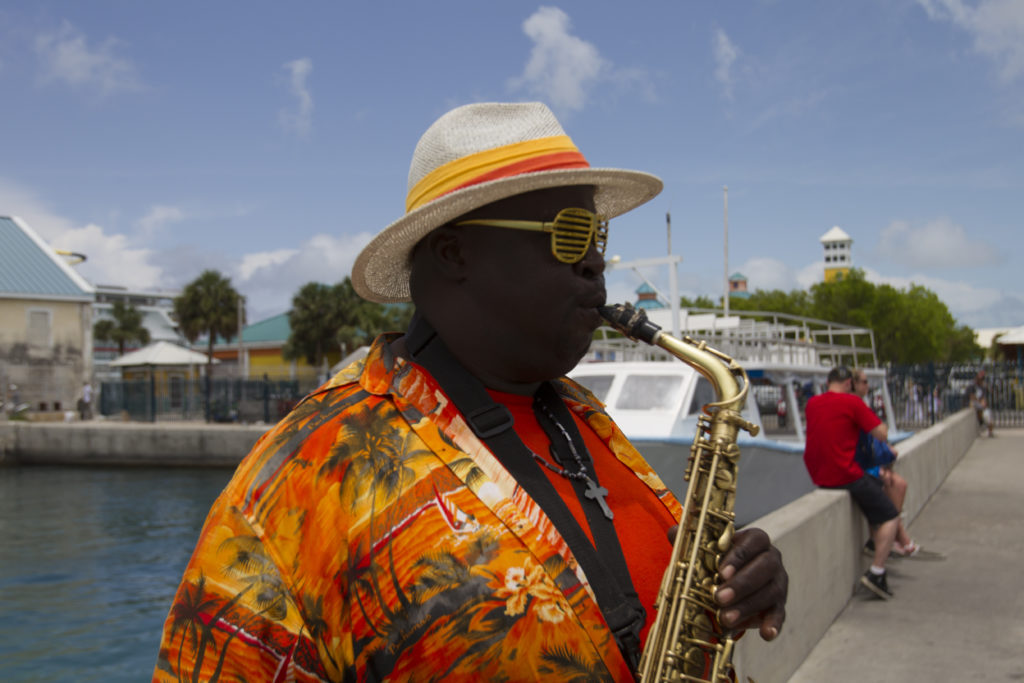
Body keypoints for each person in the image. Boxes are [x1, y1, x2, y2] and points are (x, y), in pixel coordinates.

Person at [154, 101, 788, 682]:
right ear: (454, 251)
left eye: (598, 239)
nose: (596, 262)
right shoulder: (304, 472)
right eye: (569, 234)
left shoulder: (581, 416)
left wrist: (735, 586)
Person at [803, 366, 899, 599]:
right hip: (844, 475)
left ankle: (873, 542)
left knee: (875, 485)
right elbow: (881, 434)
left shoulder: (812, 403)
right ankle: (877, 572)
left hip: (819, 475)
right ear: (848, 383)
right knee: (890, 515)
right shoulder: (853, 403)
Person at [850, 369, 921, 558]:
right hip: (862, 466)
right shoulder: (856, 407)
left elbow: (873, 440)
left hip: (868, 463)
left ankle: (893, 537)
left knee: (898, 484)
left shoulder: (862, 406)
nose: (867, 386)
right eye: (864, 382)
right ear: (854, 384)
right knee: (892, 485)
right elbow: (868, 441)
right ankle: (897, 537)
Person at [967, 369, 994, 437]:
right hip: (975, 404)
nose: (981, 380)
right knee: (979, 412)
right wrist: (980, 401)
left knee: (988, 416)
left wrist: (983, 402)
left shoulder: (983, 387)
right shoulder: (972, 385)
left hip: (981, 406)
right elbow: (971, 396)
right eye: (980, 378)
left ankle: (989, 431)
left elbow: (984, 397)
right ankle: (981, 424)